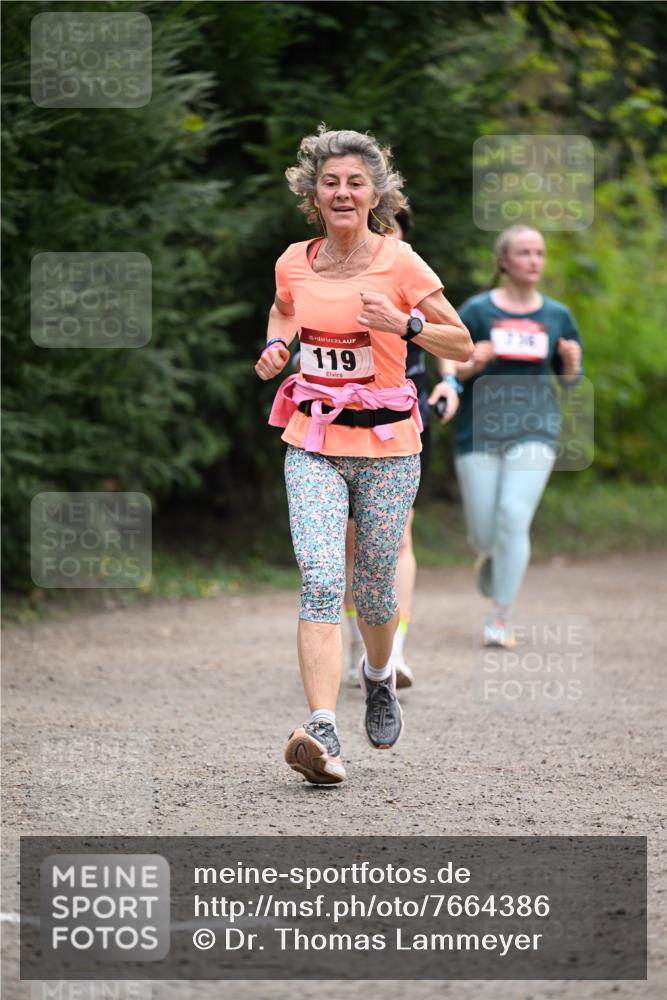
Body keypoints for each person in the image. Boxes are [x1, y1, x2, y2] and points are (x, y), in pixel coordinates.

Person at [254, 126, 472, 785]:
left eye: (354, 182)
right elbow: (282, 308)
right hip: (313, 441)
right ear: (311, 194)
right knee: (321, 577)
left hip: (388, 447)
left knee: (374, 586)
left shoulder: (401, 264)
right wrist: (276, 347)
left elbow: (459, 344)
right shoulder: (295, 259)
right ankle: (321, 728)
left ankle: (377, 674)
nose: (342, 192)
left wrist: (404, 325)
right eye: (329, 182)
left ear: (375, 192)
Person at [432, 224, 583, 648]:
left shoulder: (557, 316)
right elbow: (448, 357)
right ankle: (494, 554)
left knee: (514, 515)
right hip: (479, 429)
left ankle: (500, 616)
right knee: (484, 532)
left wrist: (570, 362)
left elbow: (571, 382)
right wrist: (468, 365)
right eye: (524, 252)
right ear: (504, 261)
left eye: (539, 253)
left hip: (536, 426)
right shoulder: (478, 311)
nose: (534, 259)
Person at [343, 206, 462, 689]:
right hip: (345, 422)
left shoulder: (413, 276)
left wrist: (449, 384)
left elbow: (448, 338)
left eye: (391, 232)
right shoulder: (333, 273)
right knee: (353, 543)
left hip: (406, 420)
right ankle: (358, 644)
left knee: (398, 537)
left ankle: (396, 652)